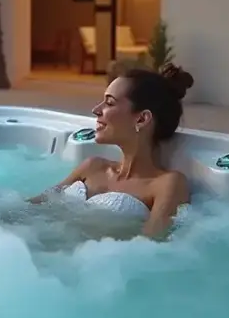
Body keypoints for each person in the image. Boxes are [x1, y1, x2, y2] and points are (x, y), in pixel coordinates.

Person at [34, 64, 194, 241]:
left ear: (141, 119)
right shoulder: (92, 166)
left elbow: (150, 247)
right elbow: (34, 206)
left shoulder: (167, 184)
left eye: (109, 102)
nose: (96, 110)